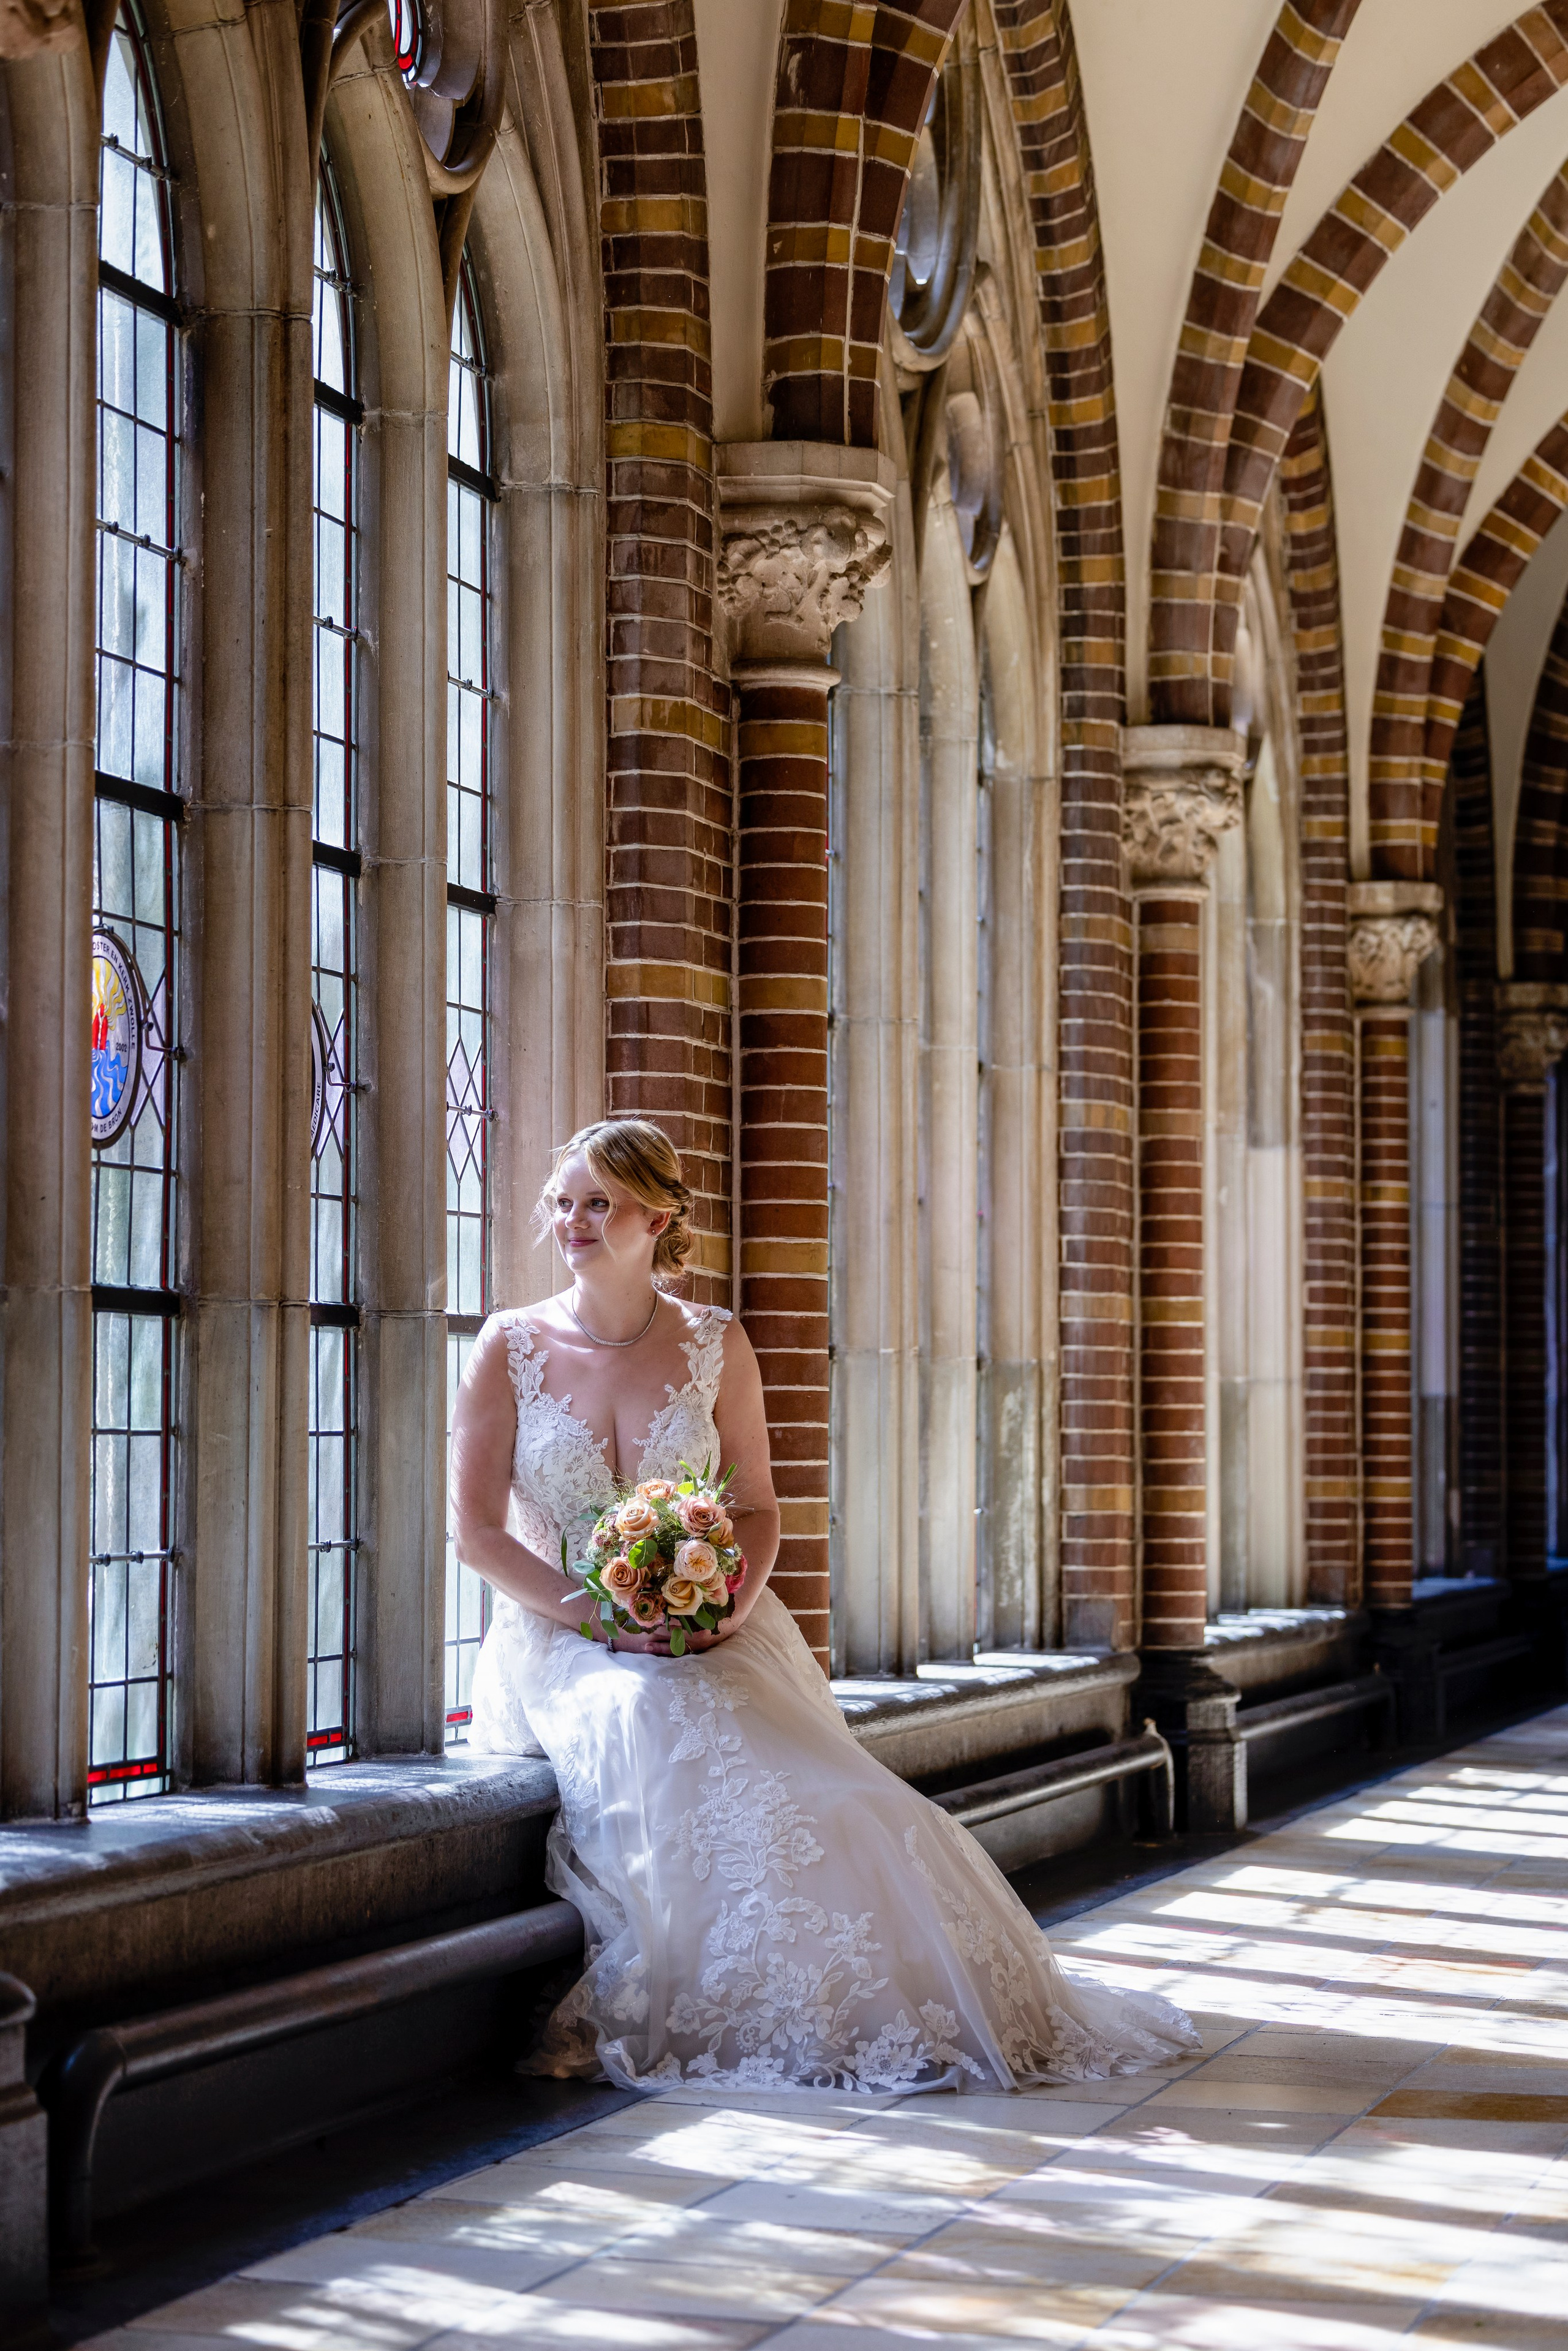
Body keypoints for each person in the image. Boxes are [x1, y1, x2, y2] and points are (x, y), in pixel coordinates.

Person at [451, 1115, 1196, 2093]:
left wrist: (718, 1608)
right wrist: (603, 1618)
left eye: (599, 1202)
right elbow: (477, 1533)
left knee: (846, 1798)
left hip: (712, 1624)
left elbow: (757, 1506)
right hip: (562, 1634)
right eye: (564, 1201)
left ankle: (886, 1998)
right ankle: (722, 1995)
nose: (572, 1220)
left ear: (658, 1212)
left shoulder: (716, 1341)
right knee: (644, 1711)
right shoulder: (509, 1343)